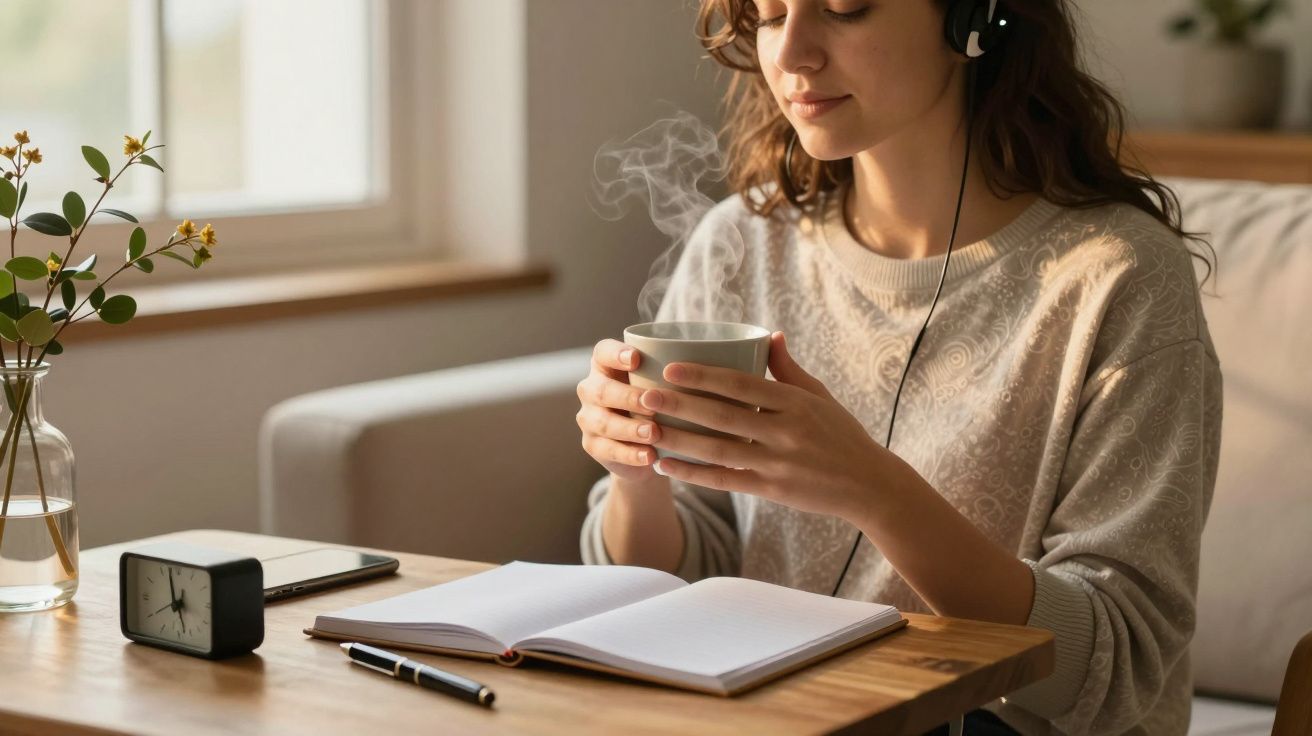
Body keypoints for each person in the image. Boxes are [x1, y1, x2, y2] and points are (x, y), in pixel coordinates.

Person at [575, 1, 1223, 733]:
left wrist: (873, 490)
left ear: (972, 20)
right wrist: (637, 477)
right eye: (768, 13)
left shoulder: (1120, 280)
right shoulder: (743, 245)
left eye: (843, 8)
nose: (791, 55)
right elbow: (671, 585)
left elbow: (1117, 667)